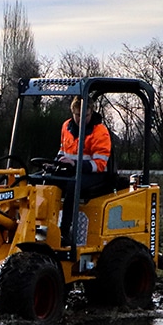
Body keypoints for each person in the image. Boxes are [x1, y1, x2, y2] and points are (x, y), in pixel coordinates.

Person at [55, 95, 112, 245]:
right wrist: (56, 164)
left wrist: (74, 164)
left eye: (85, 115)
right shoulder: (66, 126)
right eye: (77, 115)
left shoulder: (100, 132)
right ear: (72, 112)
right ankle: (44, 227)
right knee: (43, 179)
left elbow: (100, 164)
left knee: (73, 185)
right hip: (73, 169)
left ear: (91, 112)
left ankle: (64, 232)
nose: (81, 119)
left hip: (96, 174)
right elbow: (62, 150)